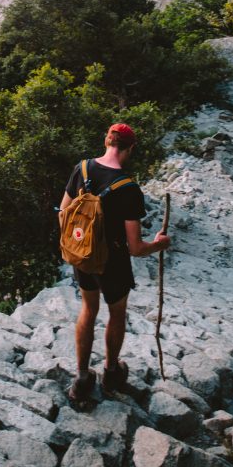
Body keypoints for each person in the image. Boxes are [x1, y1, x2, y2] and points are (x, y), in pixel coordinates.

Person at [59, 121, 170, 401]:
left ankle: (82, 380)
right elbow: (135, 248)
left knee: (88, 309)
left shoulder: (82, 168)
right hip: (113, 262)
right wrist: (159, 244)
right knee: (116, 313)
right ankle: (111, 373)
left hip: (82, 254)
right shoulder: (129, 188)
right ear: (129, 148)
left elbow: (63, 213)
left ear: (107, 141)